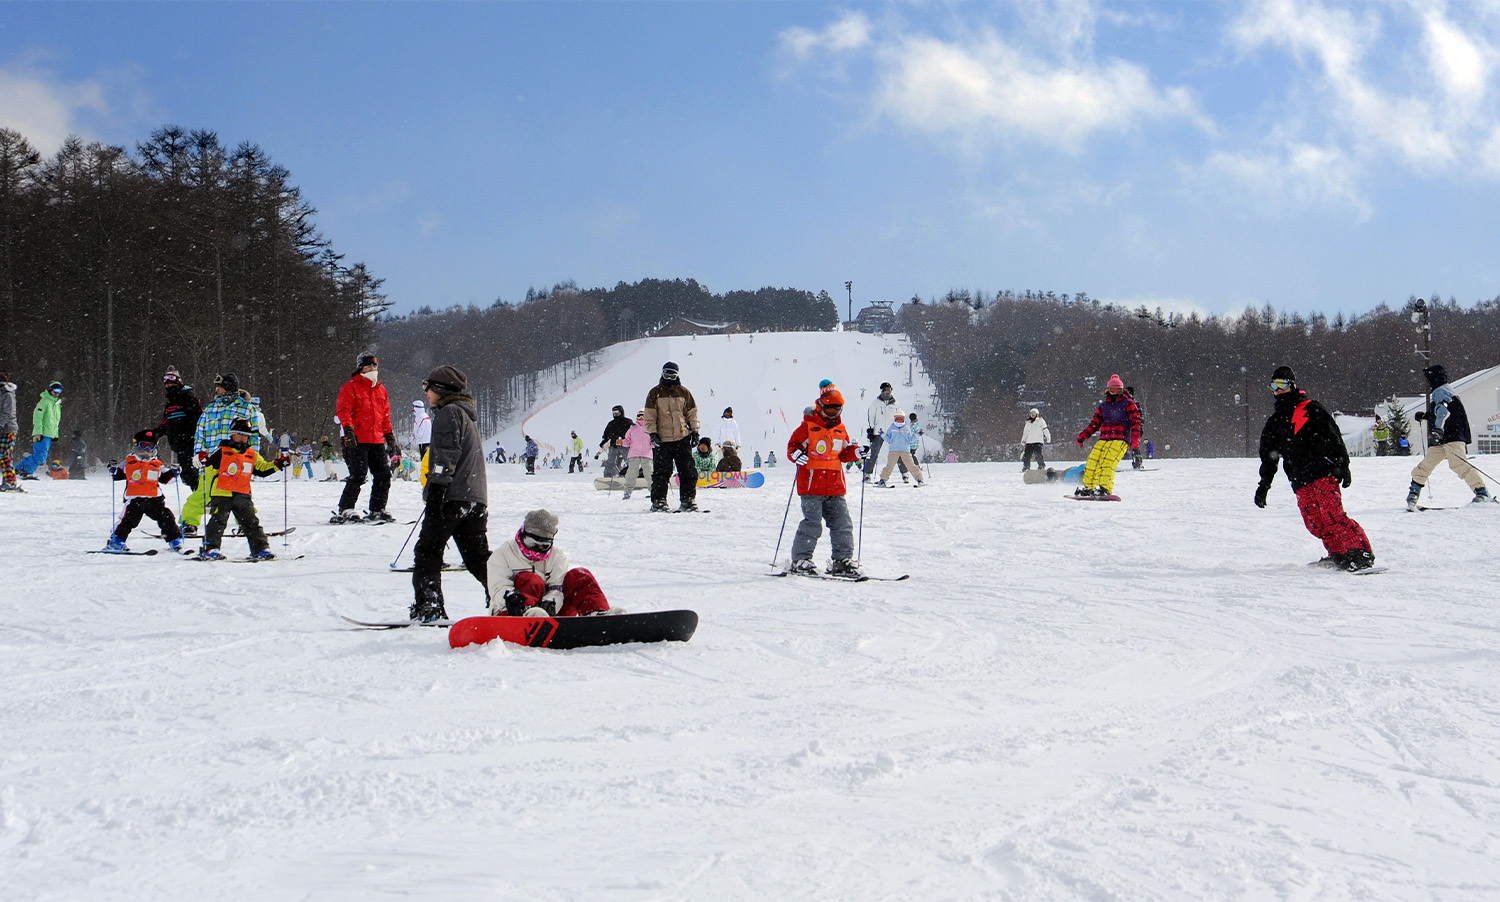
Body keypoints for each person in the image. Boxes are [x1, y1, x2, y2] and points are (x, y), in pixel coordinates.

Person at [1255, 366, 1375, 571]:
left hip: (1322, 473)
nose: (1278, 390)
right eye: (1274, 386)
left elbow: (1333, 436)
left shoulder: (1311, 409)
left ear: (1292, 385)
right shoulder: (1275, 422)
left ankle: (1360, 552)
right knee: (1315, 522)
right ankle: (1338, 553)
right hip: (1299, 479)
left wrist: (1342, 465)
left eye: (1282, 384)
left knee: (1332, 515)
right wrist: (1264, 485)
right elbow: (1269, 456)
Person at [410, 366, 489, 623]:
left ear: (440, 390)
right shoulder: (467, 415)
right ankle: (509, 595)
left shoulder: (448, 413)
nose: (426, 392)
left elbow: (445, 455)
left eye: (428, 387)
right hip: (474, 499)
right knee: (477, 558)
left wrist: (436, 489)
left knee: (428, 551)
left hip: (451, 497)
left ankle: (429, 606)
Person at [787, 382, 865, 577]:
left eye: (837, 410)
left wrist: (857, 452)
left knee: (842, 524)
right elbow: (793, 446)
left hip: (836, 487)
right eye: (830, 410)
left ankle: (842, 560)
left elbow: (844, 453)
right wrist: (796, 454)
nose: (833, 414)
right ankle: (801, 559)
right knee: (812, 524)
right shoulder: (807, 426)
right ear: (820, 407)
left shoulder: (840, 428)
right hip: (812, 485)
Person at [487, 509, 611, 617]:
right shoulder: (503, 554)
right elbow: (497, 587)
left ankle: (596, 613)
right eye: (531, 543)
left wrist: (551, 603)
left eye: (543, 546)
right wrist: (510, 598)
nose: (535, 550)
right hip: (511, 612)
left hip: (551, 614)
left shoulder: (557, 556)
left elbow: (557, 587)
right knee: (531, 579)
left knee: (579, 575)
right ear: (522, 534)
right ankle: (527, 615)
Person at [198, 418, 289, 561]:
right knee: (218, 522)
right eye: (239, 434)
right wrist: (206, 462)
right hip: (222, 493)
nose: (242, 438)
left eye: (245, 436)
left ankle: (260, 549)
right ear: (232, 435)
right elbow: (211, 470)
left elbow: (262, 469)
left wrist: (277, 464)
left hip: (243, 494)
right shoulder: (222, 451)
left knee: (251, 523)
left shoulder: (251, 454)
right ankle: (210, 548)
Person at [1406, 364, 1490, 510]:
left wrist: (1437, 429)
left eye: (1429, 379)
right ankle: (1413, 493)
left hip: (1451, 435)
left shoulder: (1440, 391)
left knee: (1458, 464)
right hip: (1446, 437)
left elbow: (1443, 411)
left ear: (1435, 378)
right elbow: (1442, 411)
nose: (1428, 382)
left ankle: (1482, 492)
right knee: (1429, 464)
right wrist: (1427, 416)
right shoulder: (1446, 391)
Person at [181, 373, 256, 537]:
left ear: (228, 388)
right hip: (212, 461)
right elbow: (200, 432)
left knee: (241, 496)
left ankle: (246, 523)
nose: (217, 390)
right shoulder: (211, 408)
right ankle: (189, 523)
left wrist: (252, 458)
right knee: (203, 492)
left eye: (220, 387)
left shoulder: (246, 408)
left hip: (236, 461)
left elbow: (254, 435)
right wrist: (198, 453)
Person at [334, 352, 399, 523]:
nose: (372, 368)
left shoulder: (381, 389)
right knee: (358, 474)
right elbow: (343, 410)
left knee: (383, 474)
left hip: (376, 439)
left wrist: (389, 436)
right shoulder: (350, 387)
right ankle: (346, 508)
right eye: (368, 365)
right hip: (357, 438)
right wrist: (348, 430)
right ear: (360, 368)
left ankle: (378, 508)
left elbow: (385, 415)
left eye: (375, 365)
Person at [105, 429, 185, 553]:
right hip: (135, 499)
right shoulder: (129, 461)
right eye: (143, 445)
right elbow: (118, 474)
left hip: (154, 500)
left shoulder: (156, 463)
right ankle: (116, 541)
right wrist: (113, 469)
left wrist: (174, 473)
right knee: (128, 520)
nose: (147, 449)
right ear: (137, 445)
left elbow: (166, 479)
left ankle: (175, 541)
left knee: (166, 517)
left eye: (150, 446)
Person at [643, 361, 700, 512]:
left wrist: (694, 431)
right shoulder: (655, 393)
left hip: (682, 437)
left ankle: (688, 499)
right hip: (663, 439)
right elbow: (649, 415)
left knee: (687, 470)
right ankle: (659, 500)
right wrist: (653, 433)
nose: (668, 378)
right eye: (666, 375)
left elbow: (691, 413)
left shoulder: (684, 392)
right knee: (662, 471)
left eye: (672, 375)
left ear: (677, 376)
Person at [1074, 374, 1141, 498]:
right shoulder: (1104, 406)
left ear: (1122, 390)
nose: (1115, 392)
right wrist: (1083, 436)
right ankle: (1089, 487)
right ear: (1108, 390)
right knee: (1092, 462)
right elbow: (1095, 424)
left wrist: (1135, 439)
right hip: (1104, 438)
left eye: (1118, 389)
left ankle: (1105, 488)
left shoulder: (1128, 403)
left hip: (1120, 439)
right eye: (1112, 389)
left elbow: (1135, 422)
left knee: (1107, 463)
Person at [157, 366, 202, 489]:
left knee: (191, 475)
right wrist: (152, 435)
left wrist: (193, 438)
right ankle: (200, 498)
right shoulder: (170, 403)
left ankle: (203, 500)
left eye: (171, 378)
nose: (168, 382)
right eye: (165, 379)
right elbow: (165, 424)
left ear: (178, 380)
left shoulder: (187, 398)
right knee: (187, 476)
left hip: (190, 444)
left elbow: (198, 420)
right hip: (179, 446)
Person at [16, 380, 62, 479]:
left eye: (60, 390)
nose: (57, 392)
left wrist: (55, 434)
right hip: (42, 433)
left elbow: (55, 421)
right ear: (50, 390)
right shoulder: (44, 401)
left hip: (49, 434)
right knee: (41, 456)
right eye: (56, 390)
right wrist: (38, 432)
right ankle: (26, 471)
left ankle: (18, 469)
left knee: (39, 455)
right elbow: (37, 417)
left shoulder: (56, 404)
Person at [876, 412, 924, 487]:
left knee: (911, 465)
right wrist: (883, 434)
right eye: (897, 419)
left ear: (903, 419)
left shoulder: (906, 428)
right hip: (893, 450)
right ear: (894, 419)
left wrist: (918, 434)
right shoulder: (892, 427)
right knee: (890, 466)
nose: (898, 421)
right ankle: (882, 480)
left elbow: (910, 439)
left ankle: (919, 479)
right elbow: (888, 439)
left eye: (900, 419)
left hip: (905, 450)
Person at [863, 382, 898, 482]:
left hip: (892, 431)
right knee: (874, 453)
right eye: (884, 390)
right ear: (882, 391)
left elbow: (899, 416)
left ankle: (905, 473)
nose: (886, 391)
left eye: (888, 389)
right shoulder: (876, 403)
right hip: (879, 431)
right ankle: (867, 473)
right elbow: (871, 416)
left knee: (899, 451)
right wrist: (871, 429)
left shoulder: (895, 404)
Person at [619, 409, 654, 500]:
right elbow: (627, 441)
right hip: (634, 453)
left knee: (649, 473)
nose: (641, 418)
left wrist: (657, 444)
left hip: (646, 454)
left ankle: (653, 491)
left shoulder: (649, 428)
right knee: (631, 473)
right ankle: (627, 492)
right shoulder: (632, 428)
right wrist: (620, 442)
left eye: (643, 416)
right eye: (639, 416)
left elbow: (653, 441)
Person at [598, 405, 631, 477]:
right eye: (614, 412)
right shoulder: (611, 424)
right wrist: (603, 442)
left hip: (625, 445)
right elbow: (606, 435)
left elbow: (634, 433)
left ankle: (632, 474)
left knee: (629, 460)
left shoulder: (628, 422)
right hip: (614, 445)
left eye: (617, 412)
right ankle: (608, 476)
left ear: (621, 412)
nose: (615, 414)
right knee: (611, 461)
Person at [0, 373, 19, 492]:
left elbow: (8, 413)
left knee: (5, 455)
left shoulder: (7, 395)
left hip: (8, 429)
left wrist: (1, 425)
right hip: (3, 429)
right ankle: (8, 480)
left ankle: (10, 481)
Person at [1124, 387, 1146, 469]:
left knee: (1134, 447)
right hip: (1132, 428)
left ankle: (1137, 463)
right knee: (1134, 447)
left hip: (1133, 428)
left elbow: (1140, 416)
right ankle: (1137, 462)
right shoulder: (1129, 403)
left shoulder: (1129, 403)